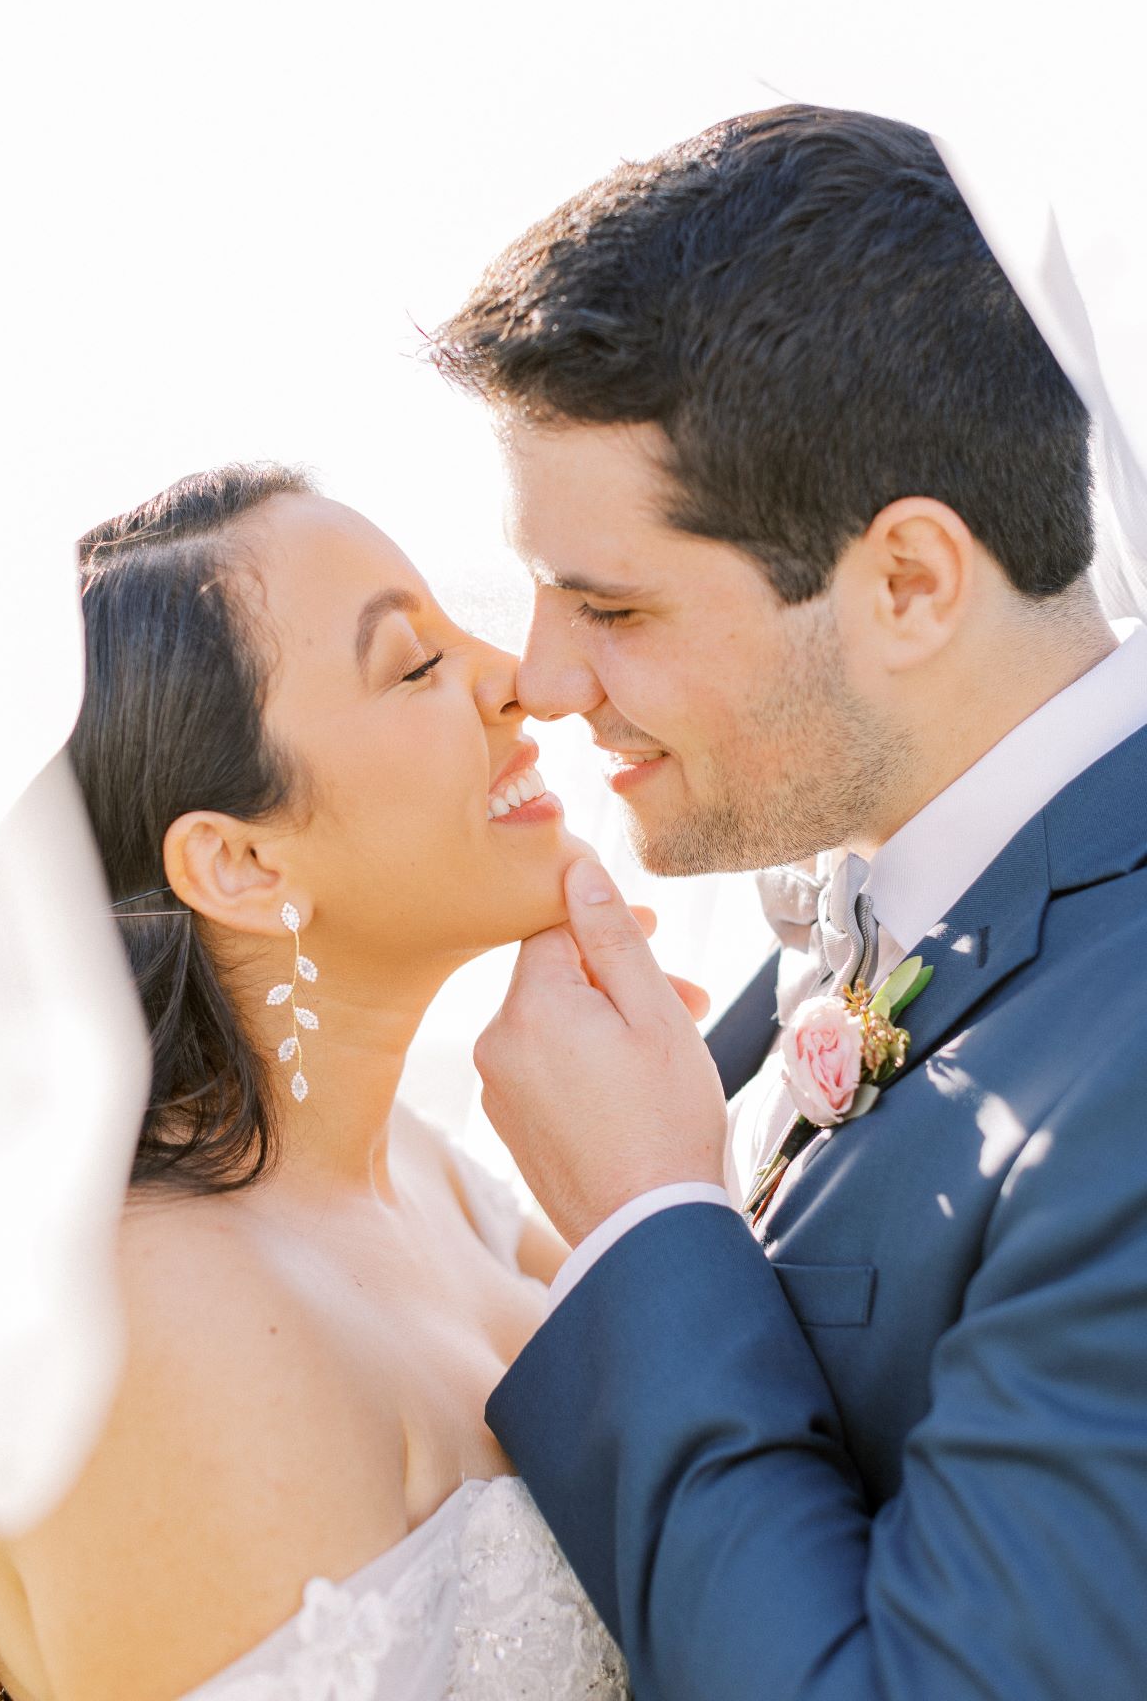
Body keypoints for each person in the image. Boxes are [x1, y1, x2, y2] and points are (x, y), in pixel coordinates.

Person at [429, 104, 1147, 1700]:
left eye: (611, 605)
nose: (541, 682)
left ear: (907, 581)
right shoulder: (881, 898)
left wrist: (644, 1223)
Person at [0, 464, 643, 1699]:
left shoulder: (424, 1170)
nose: (511, 680)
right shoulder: (157, 1319)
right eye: (413, 666)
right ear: (241, 864)